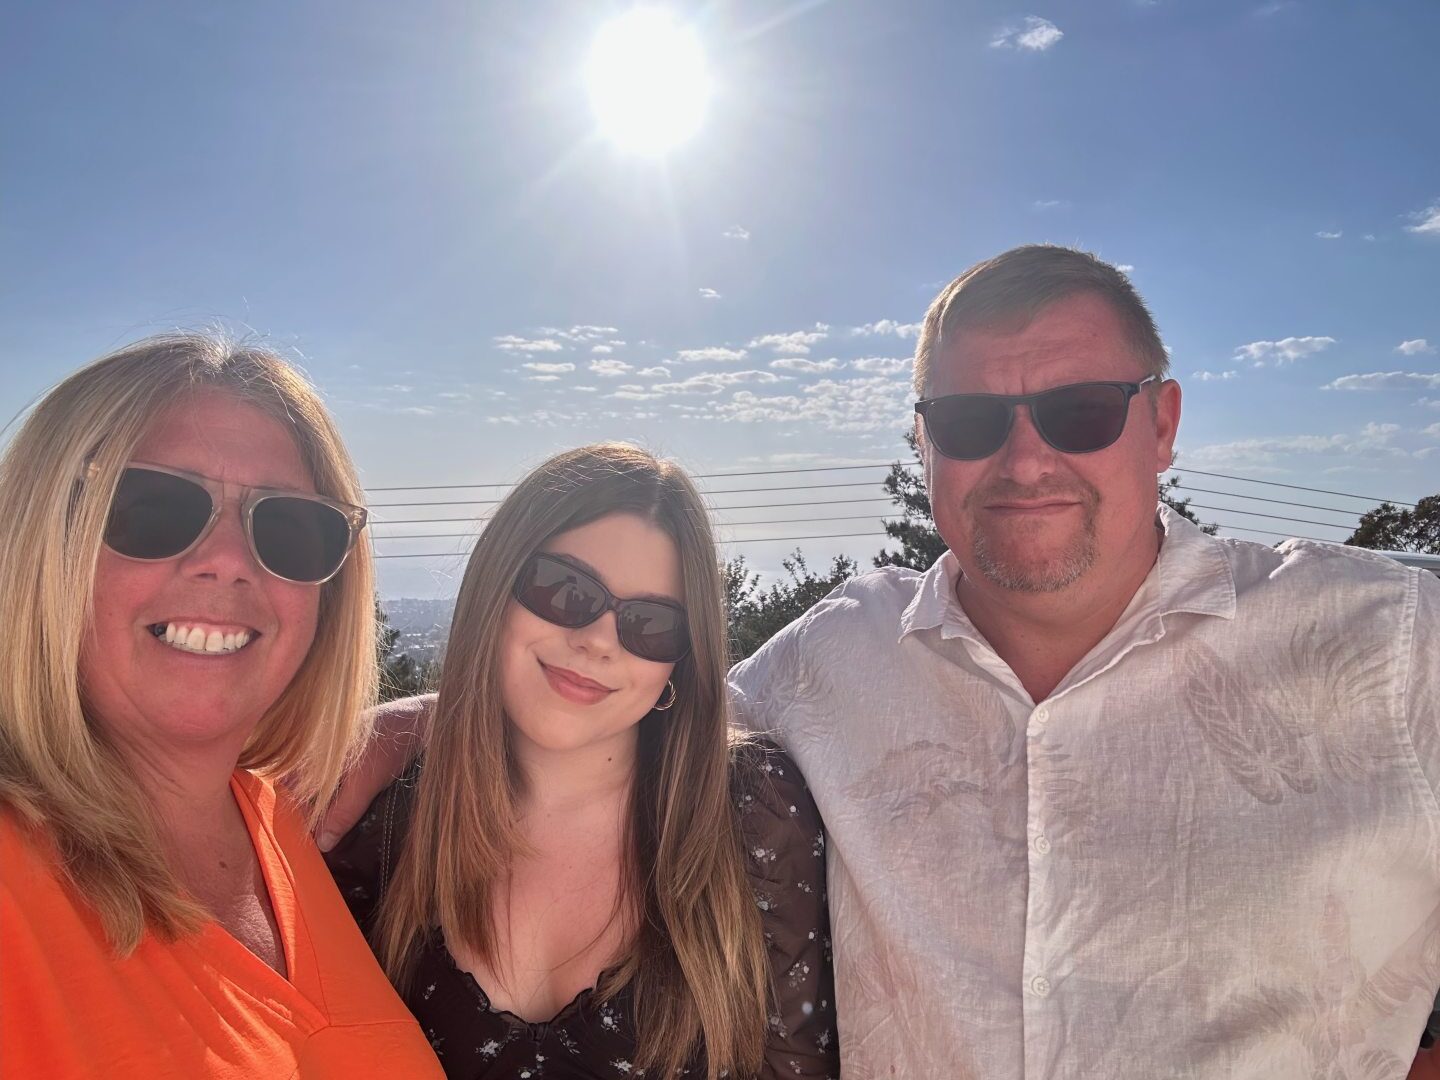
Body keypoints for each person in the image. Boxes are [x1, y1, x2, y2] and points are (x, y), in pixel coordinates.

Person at [331, 245, 1440, 1079]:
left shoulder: (1392, 644)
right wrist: (404, 724)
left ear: (1164, 424)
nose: (1025, 457)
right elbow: (613, 703)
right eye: (969, 421)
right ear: (924, 446)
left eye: (1080, 410)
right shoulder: (834, 662)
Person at [0, 334, 443, 1078]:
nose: (231, 563)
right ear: (36, 539)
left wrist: (432, 713)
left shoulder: (278, 819)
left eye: (292, 528)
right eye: (150, 508)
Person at [322, 444, 837, 1079]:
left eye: (650, 624)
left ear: (678, 661)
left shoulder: (753, 820)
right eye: (565, 590)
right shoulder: (379, 821)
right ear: (496, 588)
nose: (597, 640)